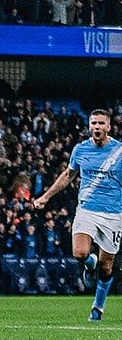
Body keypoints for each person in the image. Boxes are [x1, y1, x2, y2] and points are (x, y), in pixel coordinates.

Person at [33, 109, 121, 321]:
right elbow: (68, 175)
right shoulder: (80, 150)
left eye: (101, 123)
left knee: (106, 265)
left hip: (113, 213)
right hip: (87, 209)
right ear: (89, 126)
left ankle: (98, 307)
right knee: (79, 253)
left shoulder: (119, 151)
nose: (97, 127)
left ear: (109, 127)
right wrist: (45, 197)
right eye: (93, 123)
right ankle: (88, 263)